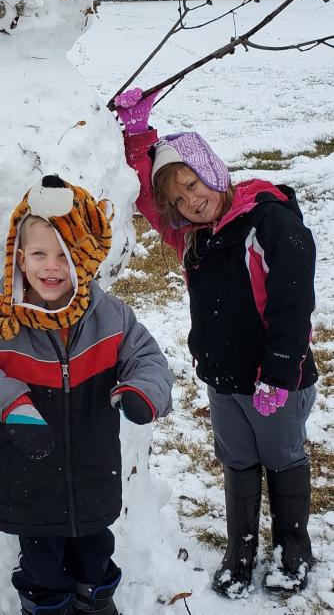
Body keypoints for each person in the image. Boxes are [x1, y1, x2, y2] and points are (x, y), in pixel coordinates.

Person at [0, 175, 173, 615]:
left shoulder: (108, 316)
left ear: (82, 257)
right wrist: (11, 403)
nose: (52, 267)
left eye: (64, 255)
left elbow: (149, 359)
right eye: (40, 254)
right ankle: (45, 606)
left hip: (92, 473)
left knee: (96, 551)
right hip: (28, 480)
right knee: (42, 564)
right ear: (20, 259)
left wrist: (141, 391)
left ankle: (97, 602)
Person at [116, 87, 318, 595]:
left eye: (193, 183)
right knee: (238, 461)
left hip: (276, 378)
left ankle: (293, 548)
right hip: (224, 379)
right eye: (179, 198)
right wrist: (138, 140)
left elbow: (293, 306)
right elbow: (148, 200)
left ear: (213, 167)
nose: (191, 200)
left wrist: (277, 376)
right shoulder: (193, 235)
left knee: (282, 459)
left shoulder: (270, 221)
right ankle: (241, 549)